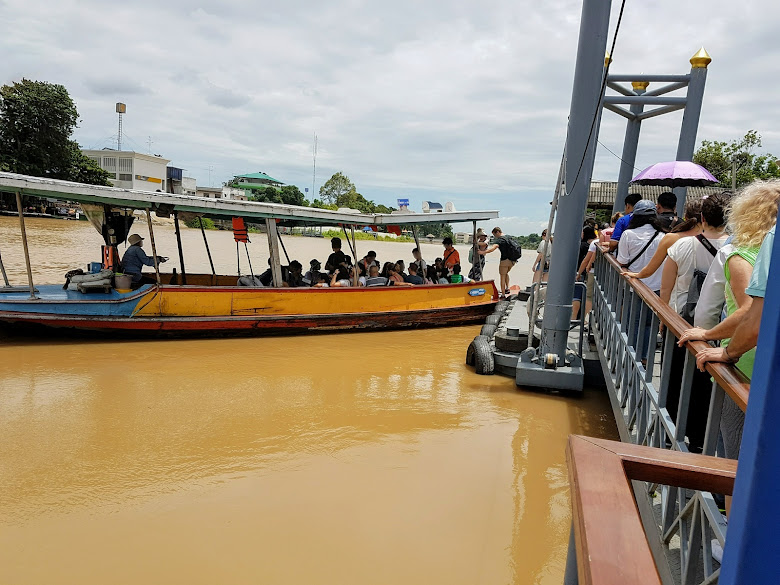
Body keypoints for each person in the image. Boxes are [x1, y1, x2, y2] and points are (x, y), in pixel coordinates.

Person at [678, 180, 779, 470]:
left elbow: (748, 311)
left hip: (745, 364)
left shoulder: (741, 256)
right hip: (768, 364)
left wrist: (711, 337)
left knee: (734, 456)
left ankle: (724, 511)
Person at [617, 200, 667, 359]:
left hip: (635, 286)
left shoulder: (628, 234)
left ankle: (632, 356)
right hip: (657, 288)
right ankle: (646, 357)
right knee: (650, 325)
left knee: (633, 323)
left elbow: (622, 261)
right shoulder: (663, 236)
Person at [624, 200, 702, 282]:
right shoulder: (715, 240)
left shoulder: (671, 238)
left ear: (686, 217)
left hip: (681, 290)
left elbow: (650, 269)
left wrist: (637, 274)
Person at [482, 227, 519, 297]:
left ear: (497, 232)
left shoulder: (500, 240)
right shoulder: (509, 237)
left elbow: (493, 248)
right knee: (506, 273)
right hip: (513, 260)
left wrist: (483, 252)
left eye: (495, 235)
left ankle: (503, 294)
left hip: (504, 260)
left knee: (502, 276)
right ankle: (508, 287)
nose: (495, 237)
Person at [575, 225, 599, 320]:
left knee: (589, 296)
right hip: (607, 274)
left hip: (592, 272)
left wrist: (579, 273)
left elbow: (586, 260)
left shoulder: (594, 243)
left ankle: (586, 320)